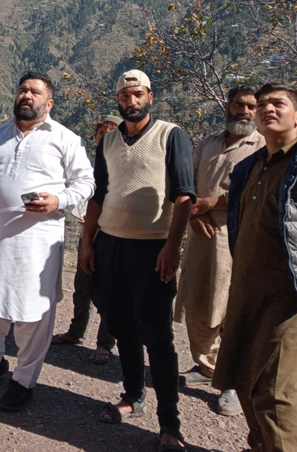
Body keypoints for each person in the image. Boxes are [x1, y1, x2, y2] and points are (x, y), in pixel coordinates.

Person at [0, 71, 95, 411]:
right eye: (23, 89)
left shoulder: (65, 139)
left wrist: (58, 201)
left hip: (36, 245)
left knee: (32, 314)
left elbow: (86, 183)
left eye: (35, 92)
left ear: (48, 103)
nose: (27, 95)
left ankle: (24, 380)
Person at [79, 70, 194, 451]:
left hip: (152, 249)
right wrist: (87, 242)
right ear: (119, 99)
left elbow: (184, 197)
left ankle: (170, 424)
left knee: (158, 336)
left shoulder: (170, 135)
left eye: (138, 94)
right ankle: (132, 395)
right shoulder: (109, 141)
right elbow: (98, 196)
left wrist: (172, 249)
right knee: (120, 324)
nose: (131, 101)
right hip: (111, 245)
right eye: (125, 95)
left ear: (150, 95)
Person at [213, 82, 297, 451]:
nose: (267, 109)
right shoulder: (249, 167)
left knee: (274, 394)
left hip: (286, 298)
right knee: (243, 380)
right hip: (246, 289)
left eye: (278, 103)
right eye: (262, 104)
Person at [174, 85, 264, 416]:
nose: (244, 111)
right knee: (197, 302)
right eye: (238, 104)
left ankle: (233, 383)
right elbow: (186, 183)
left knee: (230, 307)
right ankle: (206, 366)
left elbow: (250, 192)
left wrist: (208, 204)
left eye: (251, 106)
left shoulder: (262, 146)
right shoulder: (209, 143)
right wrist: (193, 216)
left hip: (235, 237)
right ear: (228, 105)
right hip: (200, 235)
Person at [51, 115, 121, 364]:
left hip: (113, 238)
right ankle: (75, 332)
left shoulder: (123, 167)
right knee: (82, 286)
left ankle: (105, 343)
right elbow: (76, 194)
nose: (105, 138)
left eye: (111, 133)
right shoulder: (88, 166)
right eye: (102, 133)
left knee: (109, 290)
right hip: (88, 236)